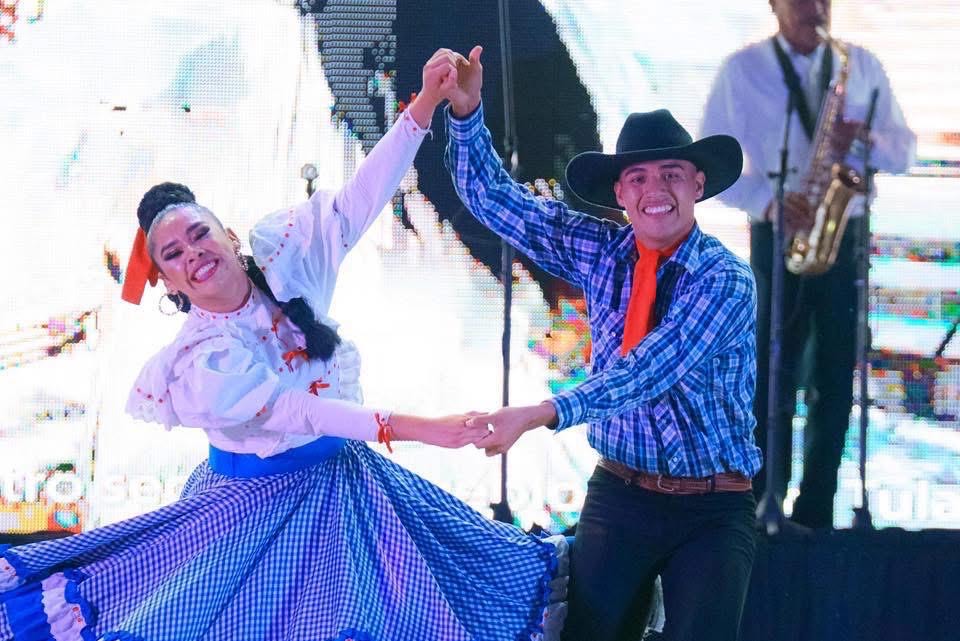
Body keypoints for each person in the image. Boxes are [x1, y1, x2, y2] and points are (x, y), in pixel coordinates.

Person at [0, 51, 568, 641]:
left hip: (345, 480)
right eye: (174, 254)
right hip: (252, 510)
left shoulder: (289, 261)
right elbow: (299, 411)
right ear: (168, 283)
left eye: (199, 234)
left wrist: (426, 101)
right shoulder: (201, 361)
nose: (194, 254)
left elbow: (362, 198)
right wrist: (425, 429)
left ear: (229, 236)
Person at [442, 46, 761, 641]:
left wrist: (542, 412)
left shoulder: (725, 279)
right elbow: (494, 201)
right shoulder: (601, 251)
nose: (655, 189)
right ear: (620, 194)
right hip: (621, 492)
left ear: (697, 184)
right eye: (638, 178)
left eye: (671, 173)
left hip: (712, 506)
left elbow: (649, 369)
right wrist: (466, 114)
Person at [699, 0, 916, 529]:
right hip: (778, 230)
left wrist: (863, 139)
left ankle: (817, 511)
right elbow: (710, 163)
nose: (814, 9)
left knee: (836, 375)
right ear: (774, 5)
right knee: (770, 373)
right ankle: (759, 502)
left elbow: (904, 152)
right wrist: (769, 203)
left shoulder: (861, 65)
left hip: (844, 233)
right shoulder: (742, 70)